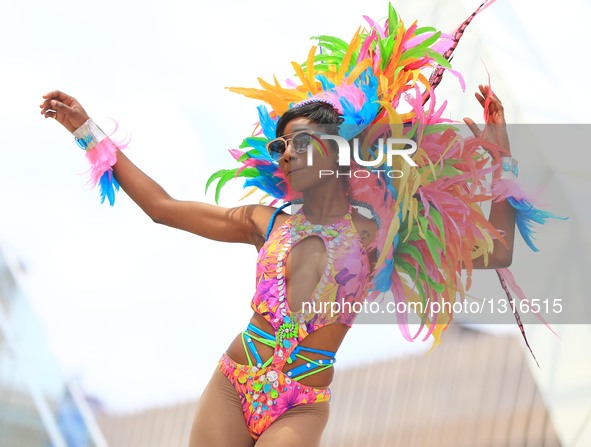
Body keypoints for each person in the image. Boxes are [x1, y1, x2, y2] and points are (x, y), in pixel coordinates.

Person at [39, 4, 554, 446]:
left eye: (299, 142)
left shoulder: (379, 234)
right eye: (279, 145)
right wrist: (88, 131)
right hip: (232, 381)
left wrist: (500, 153)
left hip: (300, 403)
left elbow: (499, 250)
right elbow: (162, 206)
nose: (285, 153)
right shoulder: (264, 222)